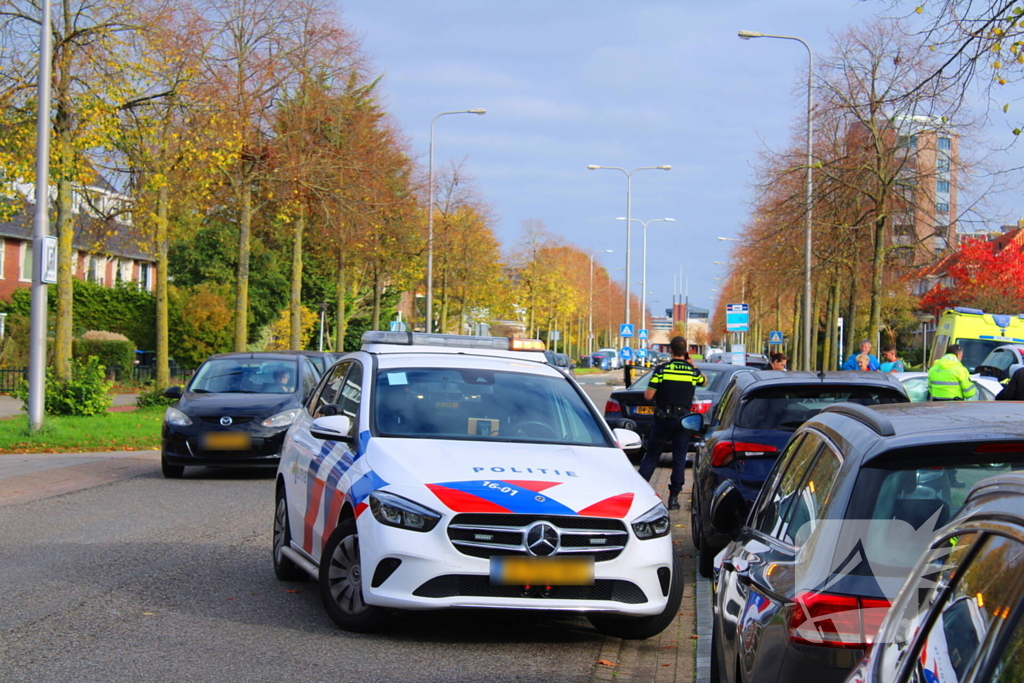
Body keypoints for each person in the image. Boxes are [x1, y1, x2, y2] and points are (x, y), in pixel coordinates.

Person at [638, 336, 707, 511]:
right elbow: (704, 381)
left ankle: (639, 491)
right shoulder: (692, 372)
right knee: (679, 458)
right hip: (684, 420)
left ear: (670, 351)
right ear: (686, 352)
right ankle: (674, 499)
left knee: (652, 455)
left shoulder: (662, 370)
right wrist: (692, 364)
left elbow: (648, 396)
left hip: (663, 418)